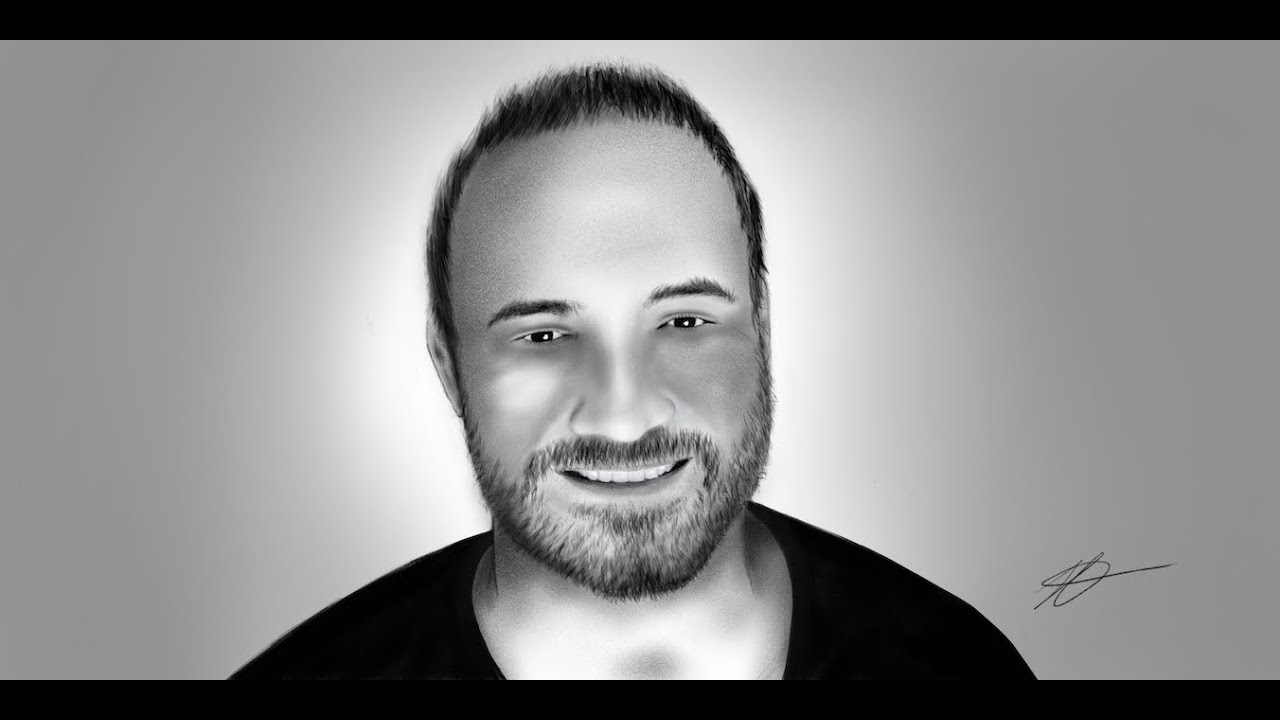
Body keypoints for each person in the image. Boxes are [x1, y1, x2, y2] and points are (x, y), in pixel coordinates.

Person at [230, 63, 1036, 680]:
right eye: (544, 336)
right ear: (449, 367)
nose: (624, 414)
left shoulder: (961, 666)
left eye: (683, 323)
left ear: (762, 328)